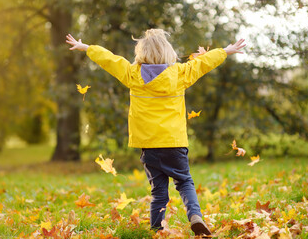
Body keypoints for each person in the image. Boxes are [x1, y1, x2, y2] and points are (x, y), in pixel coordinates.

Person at [66, 29, 245, 236]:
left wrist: (87, 47)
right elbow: (203, 63)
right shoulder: (179, 74)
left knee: (158, 191)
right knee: (184, 181)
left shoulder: (133, 74)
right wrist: (225, 50)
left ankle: (156, 229)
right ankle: (195, 216)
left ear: (141, 54)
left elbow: (110, 60)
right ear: (169, 54)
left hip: (149, 145)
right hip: (174, 143)